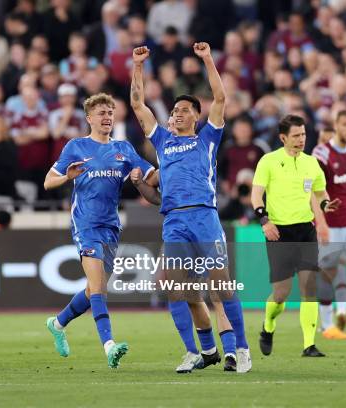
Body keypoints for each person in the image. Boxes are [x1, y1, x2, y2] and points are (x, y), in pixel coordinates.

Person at [130, 44, 251, 373]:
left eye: (185, 110)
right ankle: (196, 351)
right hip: (174, 221)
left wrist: (208, 59)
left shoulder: (208, 138)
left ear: (197, 115)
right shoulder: (163, 142)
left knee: (220, 285)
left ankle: (239, 348)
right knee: (178, 288)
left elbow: (221, 98)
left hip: (204, 216)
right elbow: (137, 104)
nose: (178, 113)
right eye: (175, 110)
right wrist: (138, 66)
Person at [44, 93, 160, 368]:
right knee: (98, 287)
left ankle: (57, 323)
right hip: (85, 224)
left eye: (110, 112)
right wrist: (67, 177)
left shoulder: (123, 149)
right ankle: (109, 346)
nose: (107, 117)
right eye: (101, 113)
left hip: (111, 225)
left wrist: (159, 171)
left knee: (93, 289)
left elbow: (150, 176)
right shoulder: (76, 146)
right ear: (89, 119)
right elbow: (49, 182)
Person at [251, 114, 341, 358]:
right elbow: (256, 195)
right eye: (296, 135)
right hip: (279, 231)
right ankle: (268, 327)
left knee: (308, 287)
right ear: (283, 138)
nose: (302, 139)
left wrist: (326, 205)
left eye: (303, 134)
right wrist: (264, 220)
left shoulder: (312, 164)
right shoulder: (268, 161)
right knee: (281, 294)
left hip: (305, 231)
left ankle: (309, 345)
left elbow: (320, 195)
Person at [311, 110, 346, 339]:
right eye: (345, 124)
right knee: (328, 271)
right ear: (336, 125)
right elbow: (314, 189)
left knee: (340, 269)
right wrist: (321, 222)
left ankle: (342, 312)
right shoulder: (323, 153)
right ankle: (327, 326)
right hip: (331, 224)